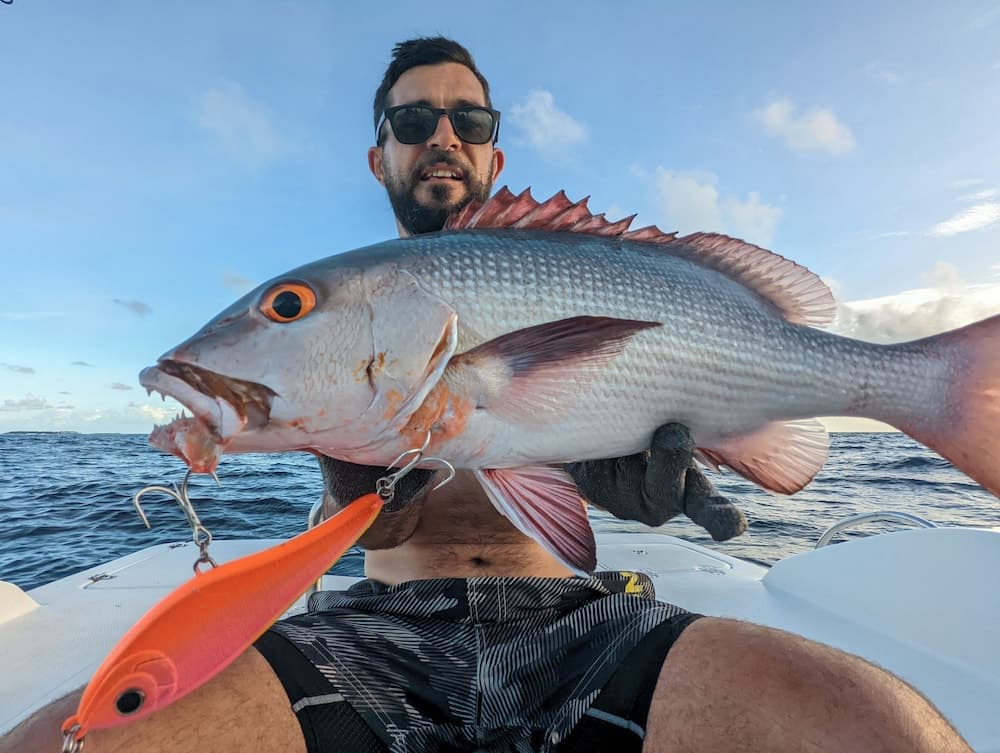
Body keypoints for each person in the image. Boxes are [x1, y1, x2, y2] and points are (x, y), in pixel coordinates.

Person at [5, 37, 973, 753]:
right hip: (377, 628)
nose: (441, 138)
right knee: (65, 742)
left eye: (468, 121)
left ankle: (933, 386)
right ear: (378, 155)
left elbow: (665, 415)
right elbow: (373, 536)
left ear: (494, 156)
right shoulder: (352, 359)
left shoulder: (529, 268)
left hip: (581, 619)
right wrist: (354, 458)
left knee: (893, 732)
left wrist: (628, 468)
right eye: (410, 121)